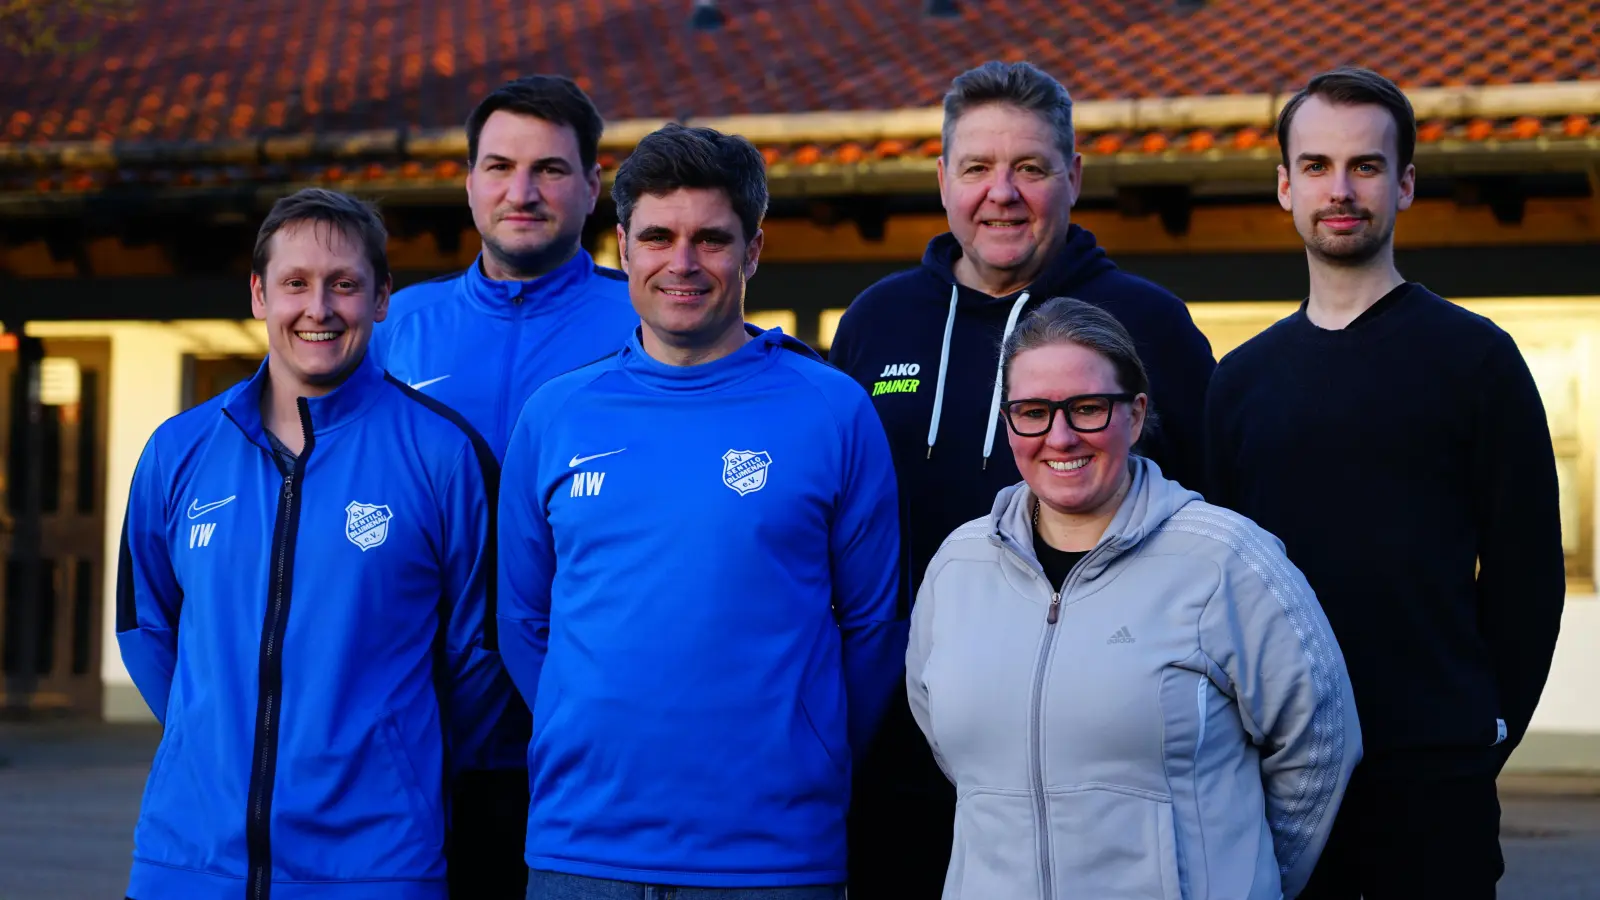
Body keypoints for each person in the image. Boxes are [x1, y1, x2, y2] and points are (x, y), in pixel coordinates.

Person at [825, 59, 1218, 895]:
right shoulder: (876, 322)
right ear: (942, 180)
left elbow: (1211, 535)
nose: (1001, 193)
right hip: (891, 751)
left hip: (1080, 767)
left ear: (1073, 177)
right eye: (976, 168)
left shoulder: (1149, 325)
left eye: (1031, 168)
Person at [498, 123, 904, 899]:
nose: (681, 264)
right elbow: (522, 621)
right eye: (657, 236)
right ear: (622, 247)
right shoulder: (556, 415)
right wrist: (590, 730)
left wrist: (802, 756)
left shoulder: (833, 410)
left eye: (711, 239)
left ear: (753, 250)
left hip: (774, 857)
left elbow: (875, 628)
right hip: (582, 848)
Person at [1205, 67, 1566, 899]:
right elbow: (1215, 583)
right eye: (1320, 166)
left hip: (1435, 773)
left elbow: (1527, 573)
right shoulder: (1241, 382)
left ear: (1404, 183)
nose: (1342, 189)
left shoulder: (1476, 360)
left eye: (1366, 166)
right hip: (1280, 773)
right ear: (1285, 186)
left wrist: (1485, 730)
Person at [115, 188, 506, 900]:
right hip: (189, 860)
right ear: (260, 295)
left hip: (377, 865)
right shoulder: (178, 451)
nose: (318, 309)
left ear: (383, 298)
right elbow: (146, 626)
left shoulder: (444, 455)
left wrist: (391, 758)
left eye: (345, 284)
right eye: (295, 283)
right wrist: (211, 740)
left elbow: (479, 655)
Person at [908, 296, 1360, 900]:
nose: (1060, 437)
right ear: (1008, 420)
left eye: (1089, 409)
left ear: (1136, 412)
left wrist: (1239, 876)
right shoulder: (958, 567)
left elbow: (1321, 743)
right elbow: (945, 737)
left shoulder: (1225, 560)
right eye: (1033, 412)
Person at [371, 75, 639, 897]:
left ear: (595, 186)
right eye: (499, 166)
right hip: (409, 731)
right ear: (469, 182)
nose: (521, 192)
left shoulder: (647, 319)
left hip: (593, 729)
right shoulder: (394, 328)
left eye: (551, 170)